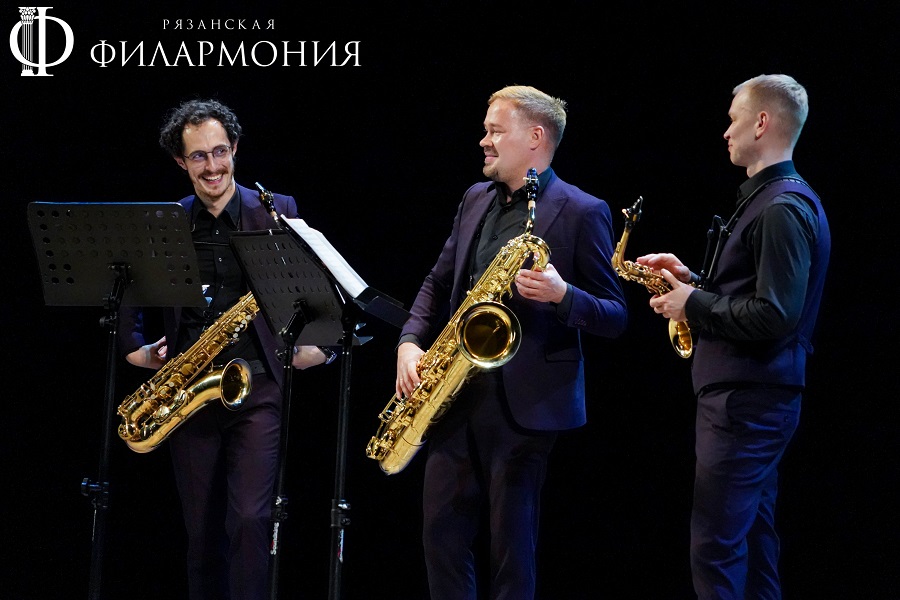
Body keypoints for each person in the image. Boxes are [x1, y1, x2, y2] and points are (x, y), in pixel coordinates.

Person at [395, 85, 628, 599]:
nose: (484, 141)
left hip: (526, 407)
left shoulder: (583, 210)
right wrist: (409, 341)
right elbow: (437, 279)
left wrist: (564, 295)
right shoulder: (474, 199)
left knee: (510, 548)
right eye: (486, 130)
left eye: (495, 131)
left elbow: (615, 315)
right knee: (440, 536)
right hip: (454, 391)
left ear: (535, 137)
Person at [119, 98, 333, 600]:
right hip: (187, 392)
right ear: (181, 161)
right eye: (198, 156)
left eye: (220, 151)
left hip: (257, 386)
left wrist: (318, 348)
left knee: (251, 520)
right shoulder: (167, 220)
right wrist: (138, 350)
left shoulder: (276, 210)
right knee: (201, 530)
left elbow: (315, 293)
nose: (212, 166)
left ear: (234, 148)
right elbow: (128, 293)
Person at [636, 74, 830, 599]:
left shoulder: (782, 207)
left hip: (747, 403)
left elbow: (775, 314)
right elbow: (755, 294)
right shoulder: (770, 200)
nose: (726, 131)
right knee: (755, 544)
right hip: (751, 398)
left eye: (733, 119)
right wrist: (692, 281)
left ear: (761, 123)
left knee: (714, 549)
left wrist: (692, 304)